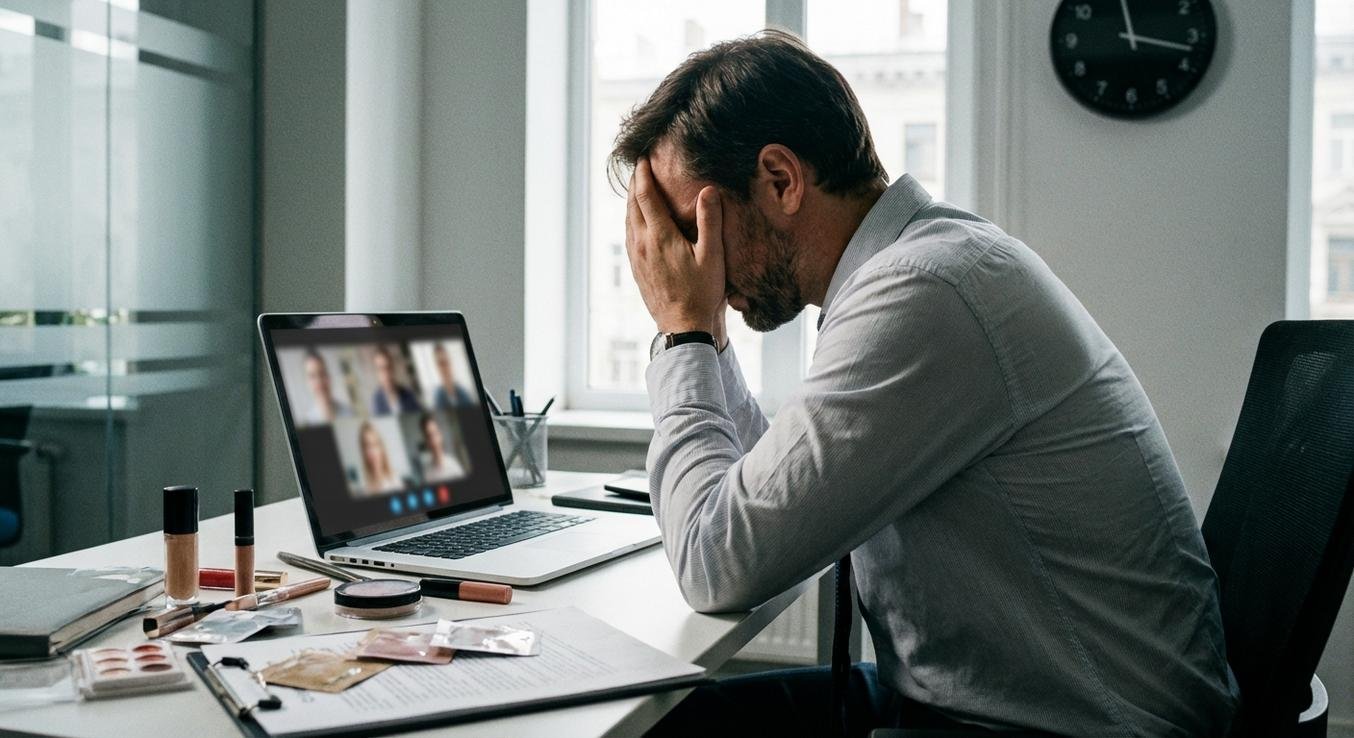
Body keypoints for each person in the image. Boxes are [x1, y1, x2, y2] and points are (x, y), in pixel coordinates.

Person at [616, 31, 1237, 738]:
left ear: (781, 180)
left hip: (1064, 729)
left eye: (692, 225)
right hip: (1001, 700)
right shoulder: (921, 268)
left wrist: (684, 333)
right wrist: (708, 340)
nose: (691, 260)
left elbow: (716, 562)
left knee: (650, 729)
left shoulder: (925, 293)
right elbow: (774, 518)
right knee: (672, 718)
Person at [299, 349, 352, 425]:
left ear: (329, 376)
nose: (319, 381)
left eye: (322, 373)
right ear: (307, 383)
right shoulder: (307, 423)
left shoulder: (349, 413)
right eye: (312, 376)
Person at [370, 345, 422, 415]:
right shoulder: (376, 403)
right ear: (377, 373)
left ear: (393, 368)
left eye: (388, 367)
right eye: (381, 369)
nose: (386, 373)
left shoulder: (408, 395)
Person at [356, 421, 403, 495]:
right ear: (363, 452)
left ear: (381, 448)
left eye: (375, 445)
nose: (372, 451)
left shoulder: (395, 481)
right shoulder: (365, 489)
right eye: (367, 446)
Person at [418, 412, 468, 481]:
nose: (434, 441)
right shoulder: (427, 473)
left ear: (440, 435)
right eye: (428, 436)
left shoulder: (453, 465)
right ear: (426, 441)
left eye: (435, 434)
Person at [431, 342, 476, 409]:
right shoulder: (437, 398)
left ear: (450, 363)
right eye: (440, 364)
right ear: (437, 367)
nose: (444, 368)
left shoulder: (463, 392)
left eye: (446, 362)